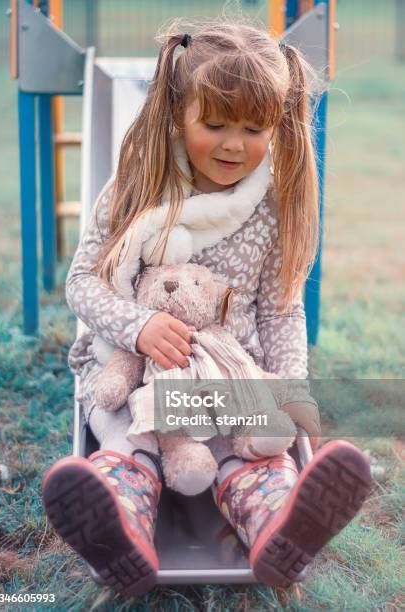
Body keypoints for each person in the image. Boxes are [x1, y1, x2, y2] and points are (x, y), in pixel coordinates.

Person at [42, 20, 371, 597]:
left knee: (252, 450)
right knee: (128, 437)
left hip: (228, 373)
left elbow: (280, 312)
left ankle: (276, 527)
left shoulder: (270, 209)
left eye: (252, 128)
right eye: (214, 124)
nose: (232, 144)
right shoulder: (137, 189)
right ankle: (121, 523)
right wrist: (139, 326)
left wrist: (287, 387)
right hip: (140, 369)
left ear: (276, 125)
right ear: (178, 116)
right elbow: (83, 286)